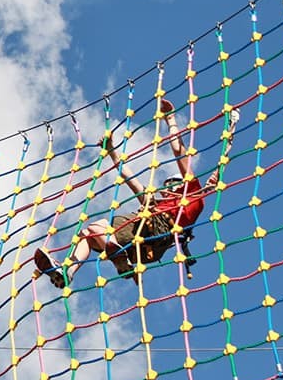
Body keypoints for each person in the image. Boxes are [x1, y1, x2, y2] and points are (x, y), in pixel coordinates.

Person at [35, 99, 233, 288]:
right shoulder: (153, 204)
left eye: (170, 184)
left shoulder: (191, 192)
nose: (166, 189)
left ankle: (117, 257)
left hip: (154, 228)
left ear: (179, 184)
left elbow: (178, 151)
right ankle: (67, 272)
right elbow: (128, 177)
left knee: (97, 228)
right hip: (146, 246)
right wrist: (112, 151)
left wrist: (170, 119)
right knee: (87, 234)